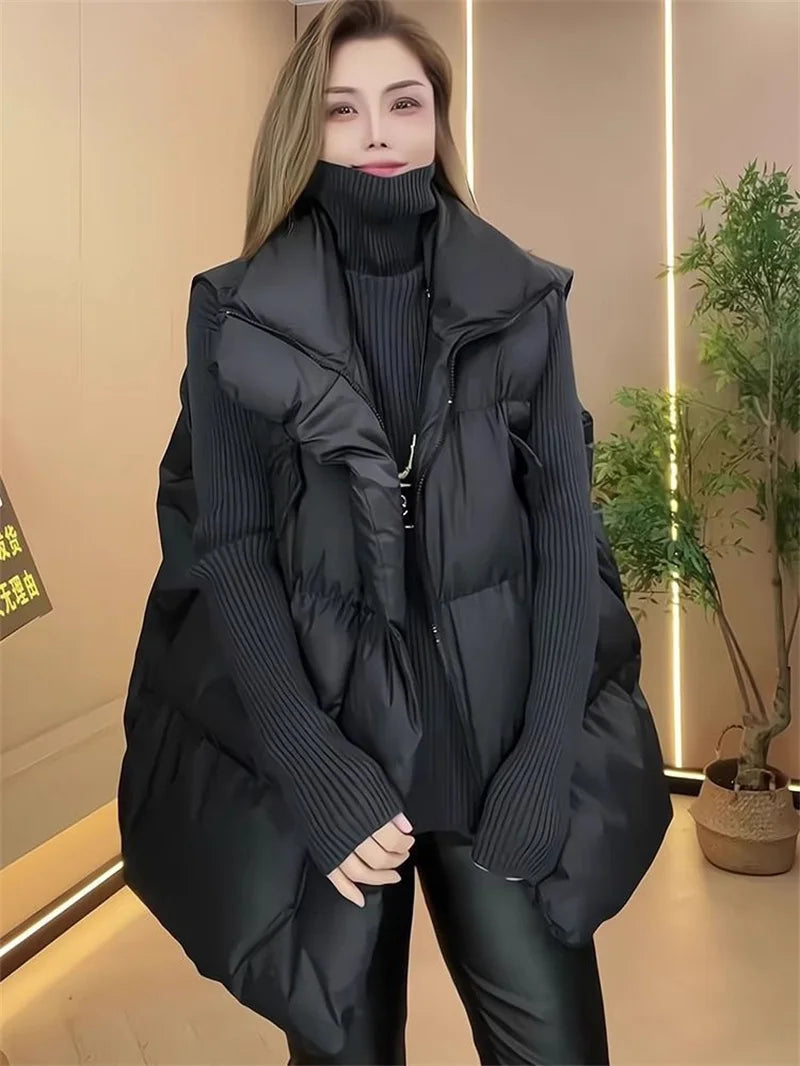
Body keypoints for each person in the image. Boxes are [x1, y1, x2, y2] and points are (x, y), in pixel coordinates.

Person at [182, 0, 607, 1061]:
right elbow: (228, 546)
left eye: (403, 103)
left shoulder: (523, 300)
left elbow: (566, 529)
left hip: (496, 760)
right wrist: (309, 763)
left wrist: (545, 756)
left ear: (438, 120)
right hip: (338, 766)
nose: (376, 132)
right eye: (342, 109)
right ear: (303, 129)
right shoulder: (234, 312)